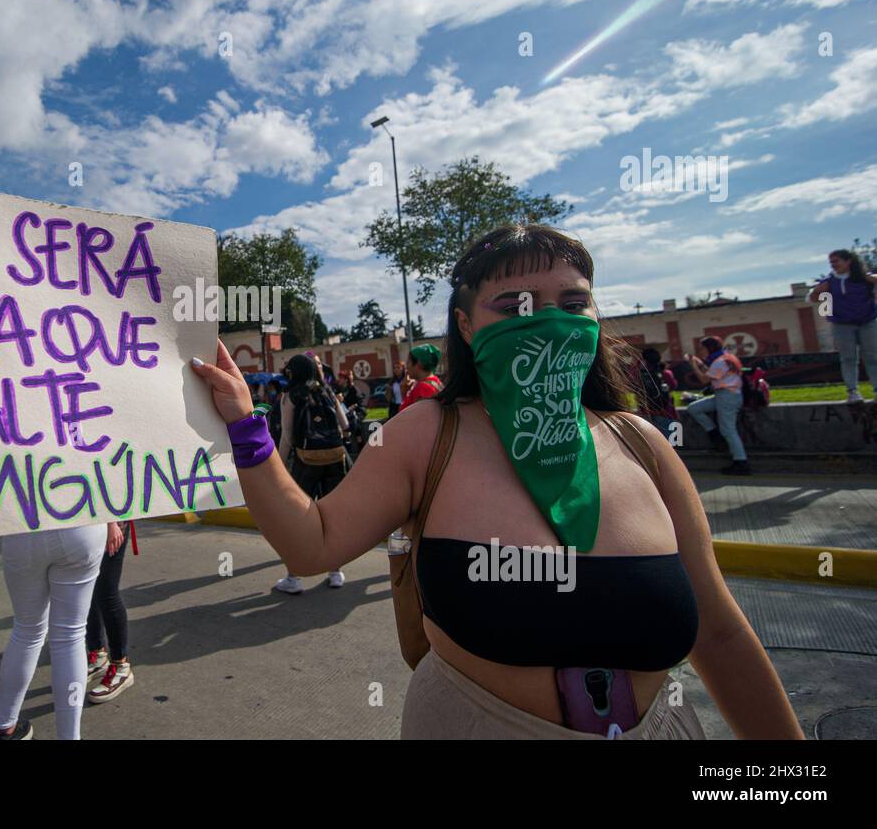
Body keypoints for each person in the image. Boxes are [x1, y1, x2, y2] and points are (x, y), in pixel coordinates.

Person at [191, 223, 802, 739]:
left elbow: (720, 636)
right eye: (515, 307)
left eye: (573, 303)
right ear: (465, 324)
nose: (548, 322)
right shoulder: (424, 434)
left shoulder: (642, 445)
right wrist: (247, 426)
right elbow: (311, 544)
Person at [0, 523, 107, 740]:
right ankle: (69, 736)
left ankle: (5, 725)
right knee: (70, 637)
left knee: (26, 631)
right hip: (82, 525)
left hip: (22, 528)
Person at [272, 353, 348, 594]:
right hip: (336, 459)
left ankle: (293, 578)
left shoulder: (290, 396)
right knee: (332, 518)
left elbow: (287, 437)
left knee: (299, 519)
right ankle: (335, 572)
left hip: (306, 463)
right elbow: (345, 425)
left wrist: (280, 468)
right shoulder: (326, 391)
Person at [809, 249, 877, 404]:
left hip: (868, 322)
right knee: (848, 358)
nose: (833, 265)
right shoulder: (829, 282)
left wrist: (870, 277)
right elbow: (813, 298)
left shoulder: (863, 278)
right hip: (842, 325)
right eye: (831, 263)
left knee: (873, 357)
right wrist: (816, 292)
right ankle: (853, 392)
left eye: (836, 261)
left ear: (848, 261)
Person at [85, 521, 136, 704]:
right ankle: (98, 655)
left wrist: (111, 523)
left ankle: (121, 666)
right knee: (88, 592)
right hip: (86, 523)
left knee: (107, 593)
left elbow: (113, 491)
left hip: (111, 521)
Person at [686, 336, 751, 476]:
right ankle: (714, 432)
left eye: (702, 348)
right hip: (726, 395)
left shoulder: (720, 362)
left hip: (727, 396)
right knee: (694, 408)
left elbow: (704, 379)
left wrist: (693, 365)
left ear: (709, 348)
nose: (700, 351)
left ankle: (741, 461)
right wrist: (700, 363)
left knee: (728, 430)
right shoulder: (726, 358)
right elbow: (713, 373)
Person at [637, 348, 679, 439]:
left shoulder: (640, 375)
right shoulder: (666, 373)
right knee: (671, 444)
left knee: (654, 444)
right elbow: (673, 386)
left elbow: (635, 389)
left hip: (648, 412)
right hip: (667, 411)